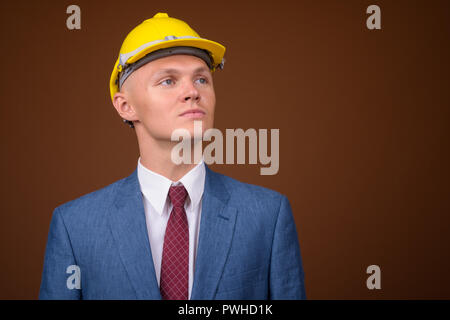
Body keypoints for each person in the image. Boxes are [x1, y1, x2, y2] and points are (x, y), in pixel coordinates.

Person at [39, 12, 306, 300]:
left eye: (202, 79)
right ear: (126, 106)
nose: (192, 91)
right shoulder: (75, 227)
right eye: (168, 81)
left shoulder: (268, 216)